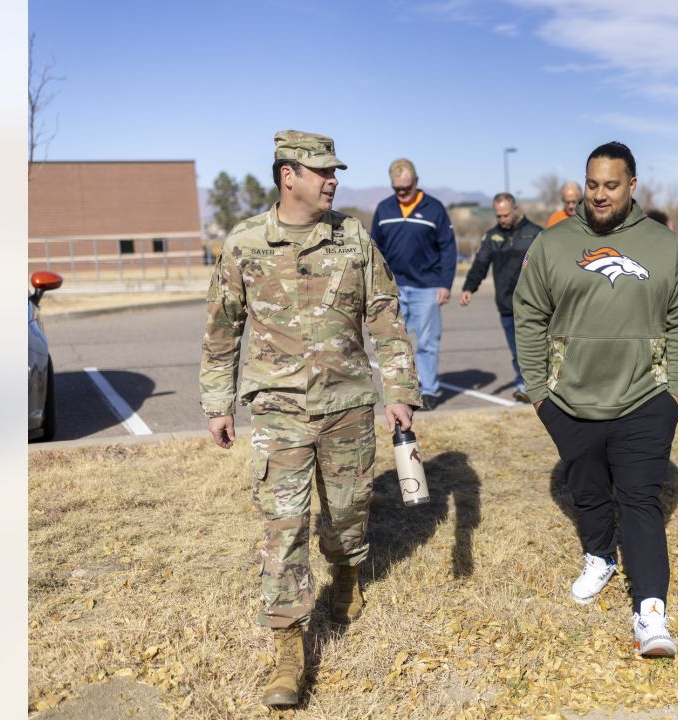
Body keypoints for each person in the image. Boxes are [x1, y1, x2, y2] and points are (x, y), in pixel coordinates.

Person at [200, 131, 421, 707]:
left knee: (347, 513)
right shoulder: (246, 243)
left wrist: (399, 388)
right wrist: (217, 403)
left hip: (347, 404)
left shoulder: (353, 238)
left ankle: (347, 574)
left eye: (335, 172)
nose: (333, 181)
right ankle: (288, 648)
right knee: (284, 525)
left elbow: (385, 316)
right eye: (321, 171)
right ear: (287, 175)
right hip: (279, 411)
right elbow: (223, 329)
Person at [514, 141, 678, 658]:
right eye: (592, 184)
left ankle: (651, 613)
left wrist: (676, 391)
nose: (599, 194)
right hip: (569, 399)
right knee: (589, 488)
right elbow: (528, 315)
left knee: (641, 498)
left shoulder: (664, 245)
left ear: (632, 186)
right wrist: (538, 392)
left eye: (611, 185)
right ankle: (600, 554)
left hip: (647, 398)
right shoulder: (553, 244)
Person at [370, 158, 456, 410]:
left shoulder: (434, 208)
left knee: (427, 342)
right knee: (393, 342)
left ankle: (429, 390)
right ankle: (401, 392)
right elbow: (375, 248)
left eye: (406, 188)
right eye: (397, 189)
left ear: (416, 182)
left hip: (427, 287)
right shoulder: (384, 209)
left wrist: (445, 283)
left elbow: (448, 248)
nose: (402, 193)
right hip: (393, 288)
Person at [459, 192, 542, 402]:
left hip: (534, 306)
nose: (502, 220)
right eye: (498, 216)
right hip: (506, 306)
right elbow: (480, 264)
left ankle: (540, 385)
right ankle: (523, 385)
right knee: (517, 351)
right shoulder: (492, 237)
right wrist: (469, 288)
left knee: (537, 348)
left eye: (505, 215)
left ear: (515, 209)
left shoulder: (535, 234)